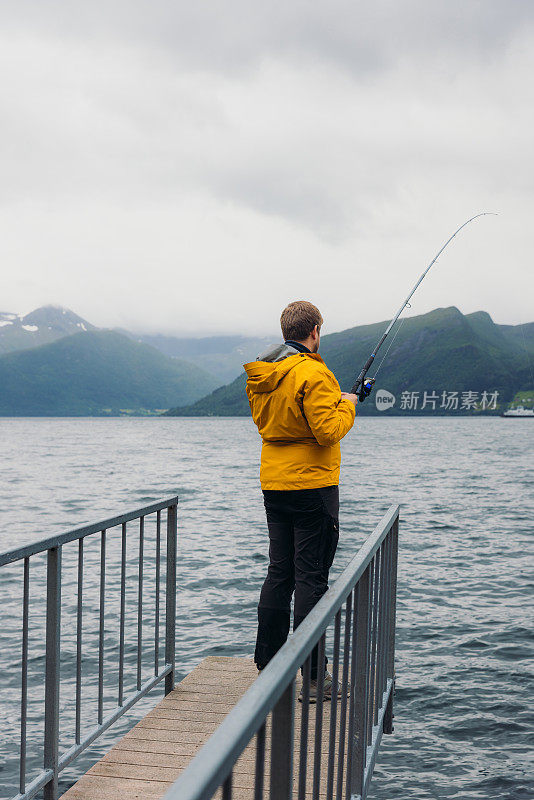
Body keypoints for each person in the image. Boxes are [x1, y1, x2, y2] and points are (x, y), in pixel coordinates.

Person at [243, 300, 358, 701]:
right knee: (311, 578)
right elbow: (327, 432)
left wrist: (336, 400)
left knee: (280, 573)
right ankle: (314, 678)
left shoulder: (266, 373)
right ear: (314, 332)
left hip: (275, 485)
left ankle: (268, 666)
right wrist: (349, 404)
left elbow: (279, 420)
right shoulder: (314, 372)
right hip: (313, 488)